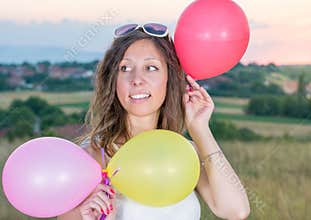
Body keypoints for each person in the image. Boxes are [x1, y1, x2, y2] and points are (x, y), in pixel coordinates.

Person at [57, 23, 250, 220]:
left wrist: (200, 129)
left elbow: (235, 211)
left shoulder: (187, 153)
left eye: (151, 67)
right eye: (125, 68)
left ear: (169, 78)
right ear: (113, 81)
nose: (137, 79)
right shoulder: (89, 158)